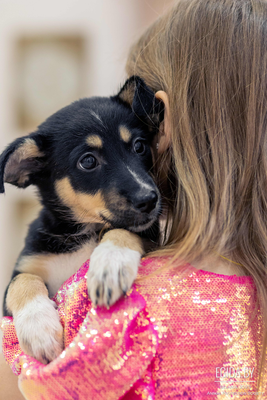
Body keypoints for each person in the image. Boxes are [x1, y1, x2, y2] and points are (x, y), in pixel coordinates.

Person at [1, 0, 267, 398]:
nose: (138, 185)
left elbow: (38, 382)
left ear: (164, 118)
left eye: (139, 141)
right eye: (89, 161)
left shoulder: (123, 314)